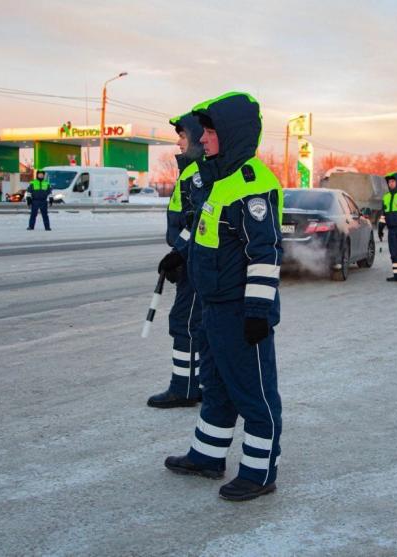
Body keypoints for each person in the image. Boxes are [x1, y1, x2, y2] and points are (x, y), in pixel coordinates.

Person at [161, 92, 284, 502]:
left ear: (231, 134)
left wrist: (257, 312)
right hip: (214, 307)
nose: (204, 138)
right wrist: (180, 258)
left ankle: (259, 471)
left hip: (241, 313)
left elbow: (263, 255)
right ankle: (208, 456)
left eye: (211, 131)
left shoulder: (252, 183)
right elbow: (208, 236)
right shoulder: (219, 179)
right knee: (216, 387)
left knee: (254, 392)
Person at [147, 113, 206, 408]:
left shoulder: (198, 174)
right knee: (197, 324)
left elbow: (197, 223)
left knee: (185, 323)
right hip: (191, 260)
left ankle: (183, 388)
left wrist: (177, 253)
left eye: (183, 137)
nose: (178, 142)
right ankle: (198, 384)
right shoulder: (191, 171)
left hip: (196, 261)